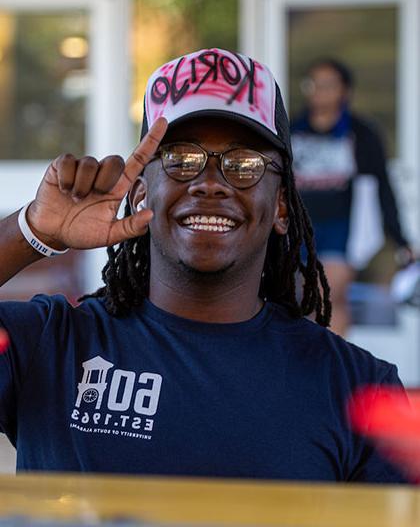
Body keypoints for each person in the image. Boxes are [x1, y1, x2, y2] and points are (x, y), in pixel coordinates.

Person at [0, 48, 409, 482]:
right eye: (180, 160)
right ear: (140, 195)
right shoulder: (52, 343)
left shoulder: (361, 391)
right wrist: (32, 231)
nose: (210, 184)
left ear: (282, 207)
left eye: (243, 164)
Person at [290, 59, 413, 336]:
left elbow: (381, 186)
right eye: (313, 84)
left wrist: (400, 238)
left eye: (328, 85)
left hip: (342, 229)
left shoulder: (361, 134)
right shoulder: (292, 130)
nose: (319, 91)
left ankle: (331, 370)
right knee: (303, 301)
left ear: (344, 91)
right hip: (298, 230)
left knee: (329, 296)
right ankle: (309, 370)